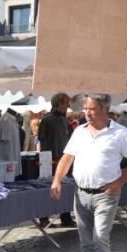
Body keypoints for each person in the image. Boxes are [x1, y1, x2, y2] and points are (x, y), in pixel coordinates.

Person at [50, 94, 127, 252]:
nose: (86, 113)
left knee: (100, 238)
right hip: (81, 193)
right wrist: (57, 180)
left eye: (91, 109)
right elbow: (67, 158)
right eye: (85, 109)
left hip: (105, 194)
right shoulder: (79, 132)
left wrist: (118, 183)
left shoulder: (120, 132)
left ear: (104, 110)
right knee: (85, 242)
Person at [37, 92, 75, 227]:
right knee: (48, 189)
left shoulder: (65, 120)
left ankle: (65, 217)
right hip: (51, 161)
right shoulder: (47, 120)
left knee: (65, 189)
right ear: (60, 103)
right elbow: (42, 142)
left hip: (64, 161)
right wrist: (48, 161)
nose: (69, 105)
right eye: (66, 102)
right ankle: (44, 218)